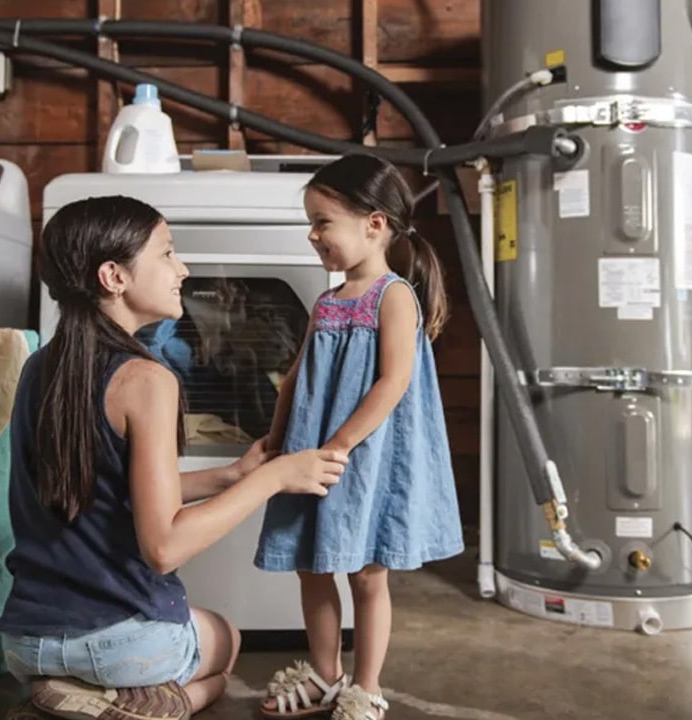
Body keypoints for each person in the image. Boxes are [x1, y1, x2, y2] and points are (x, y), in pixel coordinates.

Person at [0, 195, 349, 719]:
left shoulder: (39, 367)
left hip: (26, 641)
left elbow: (102, 490)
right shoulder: (146, 380)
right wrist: (273, 477)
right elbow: (164, 548)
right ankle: (152, 706)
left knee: (172, 642)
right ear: (114, 276)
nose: (181, 269)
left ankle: (66, 692)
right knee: (226, 642)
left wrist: (232, 474)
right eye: (166, 253)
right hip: (121, 647)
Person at [254, 155, 466, 720]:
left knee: (367, 572)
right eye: (311, 222)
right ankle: (325, 675)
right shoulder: (327, 302)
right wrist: (276, 443)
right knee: (313, 565)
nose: (312, 233)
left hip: (361, 457)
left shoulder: (394, 296)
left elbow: (394, 381)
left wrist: (341, 445)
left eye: (323, 221)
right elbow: (294, 379)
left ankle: (366, 687)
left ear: (373, 224)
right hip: (312, 454)